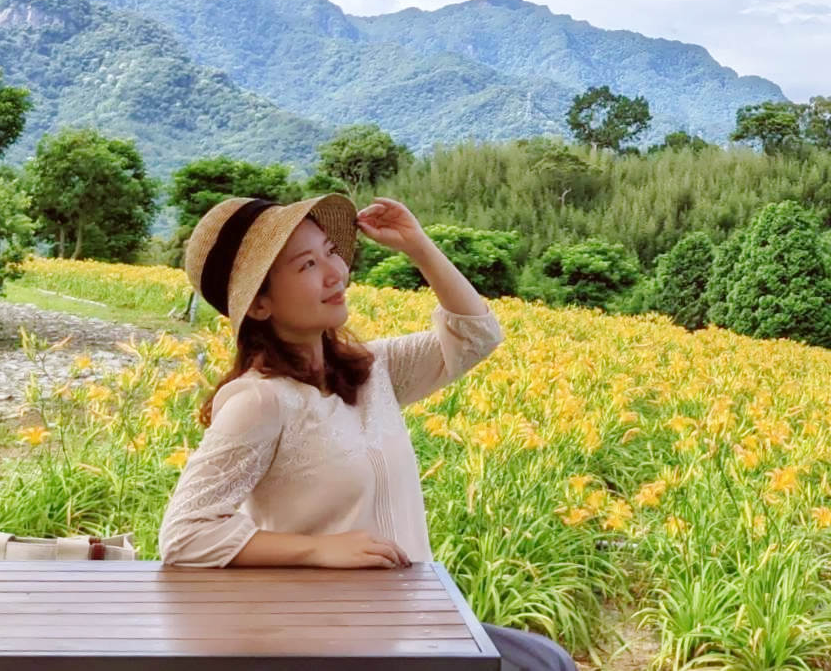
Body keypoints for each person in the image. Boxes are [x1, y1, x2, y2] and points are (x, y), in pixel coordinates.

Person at [158, 193, 576, 670]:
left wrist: (419, 246)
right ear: (259, 306)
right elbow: (185, 534)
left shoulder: (374, 371)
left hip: (409, 621)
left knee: (549, 661)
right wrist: (318, 549)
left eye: (332, 252)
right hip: (331, 636)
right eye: (307, 265)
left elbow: (478, 335)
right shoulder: (261, 402)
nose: (336, 274)